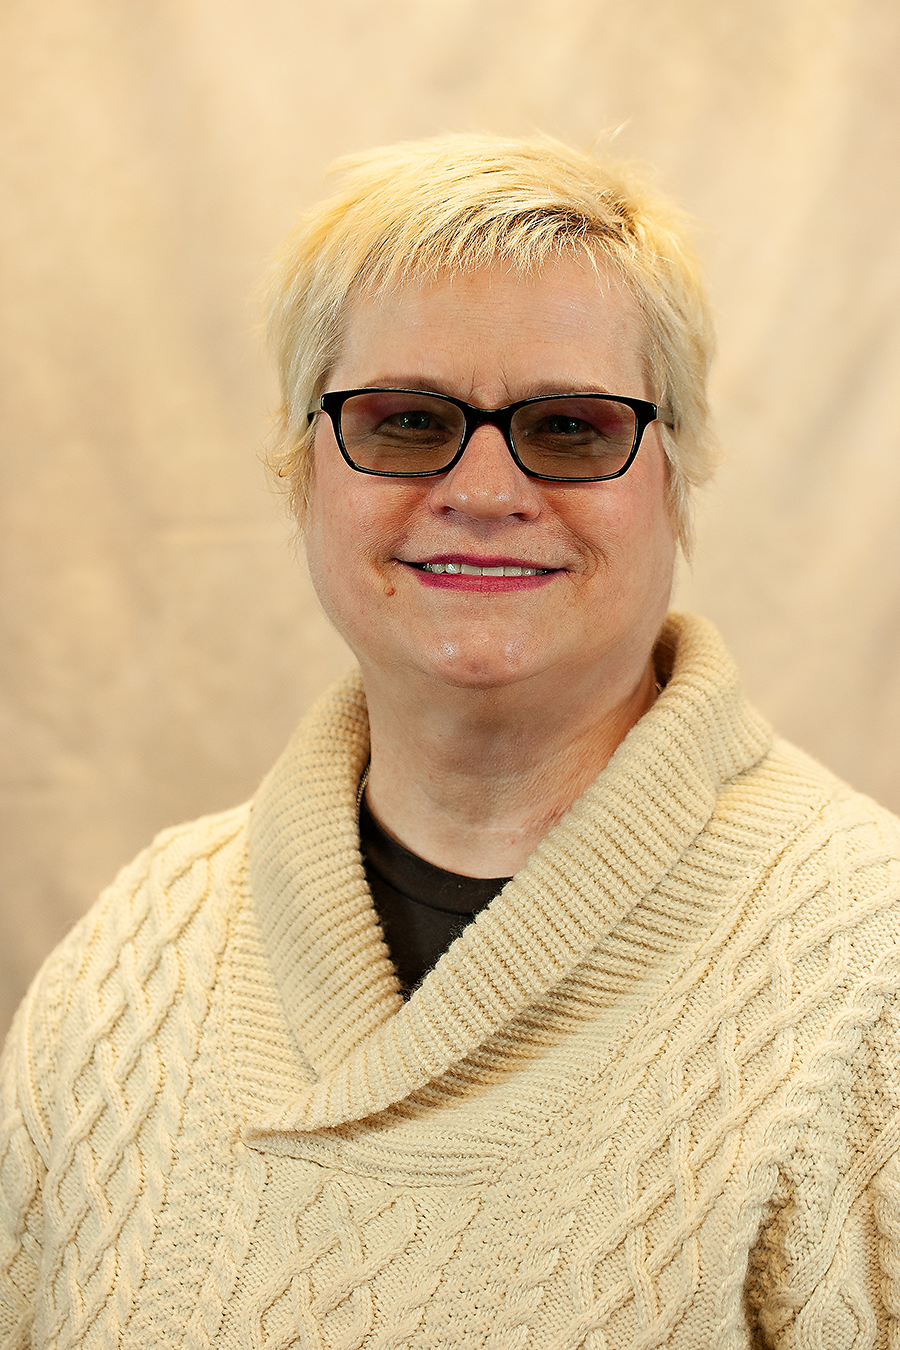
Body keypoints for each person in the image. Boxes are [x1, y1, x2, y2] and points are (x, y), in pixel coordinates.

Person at [2, 132, 900, 1350]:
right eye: (409, 420)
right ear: (300, 470)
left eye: (573, 428)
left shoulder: (866, 970)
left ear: (677, 475)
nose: (482, 489)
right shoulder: (136, 947)